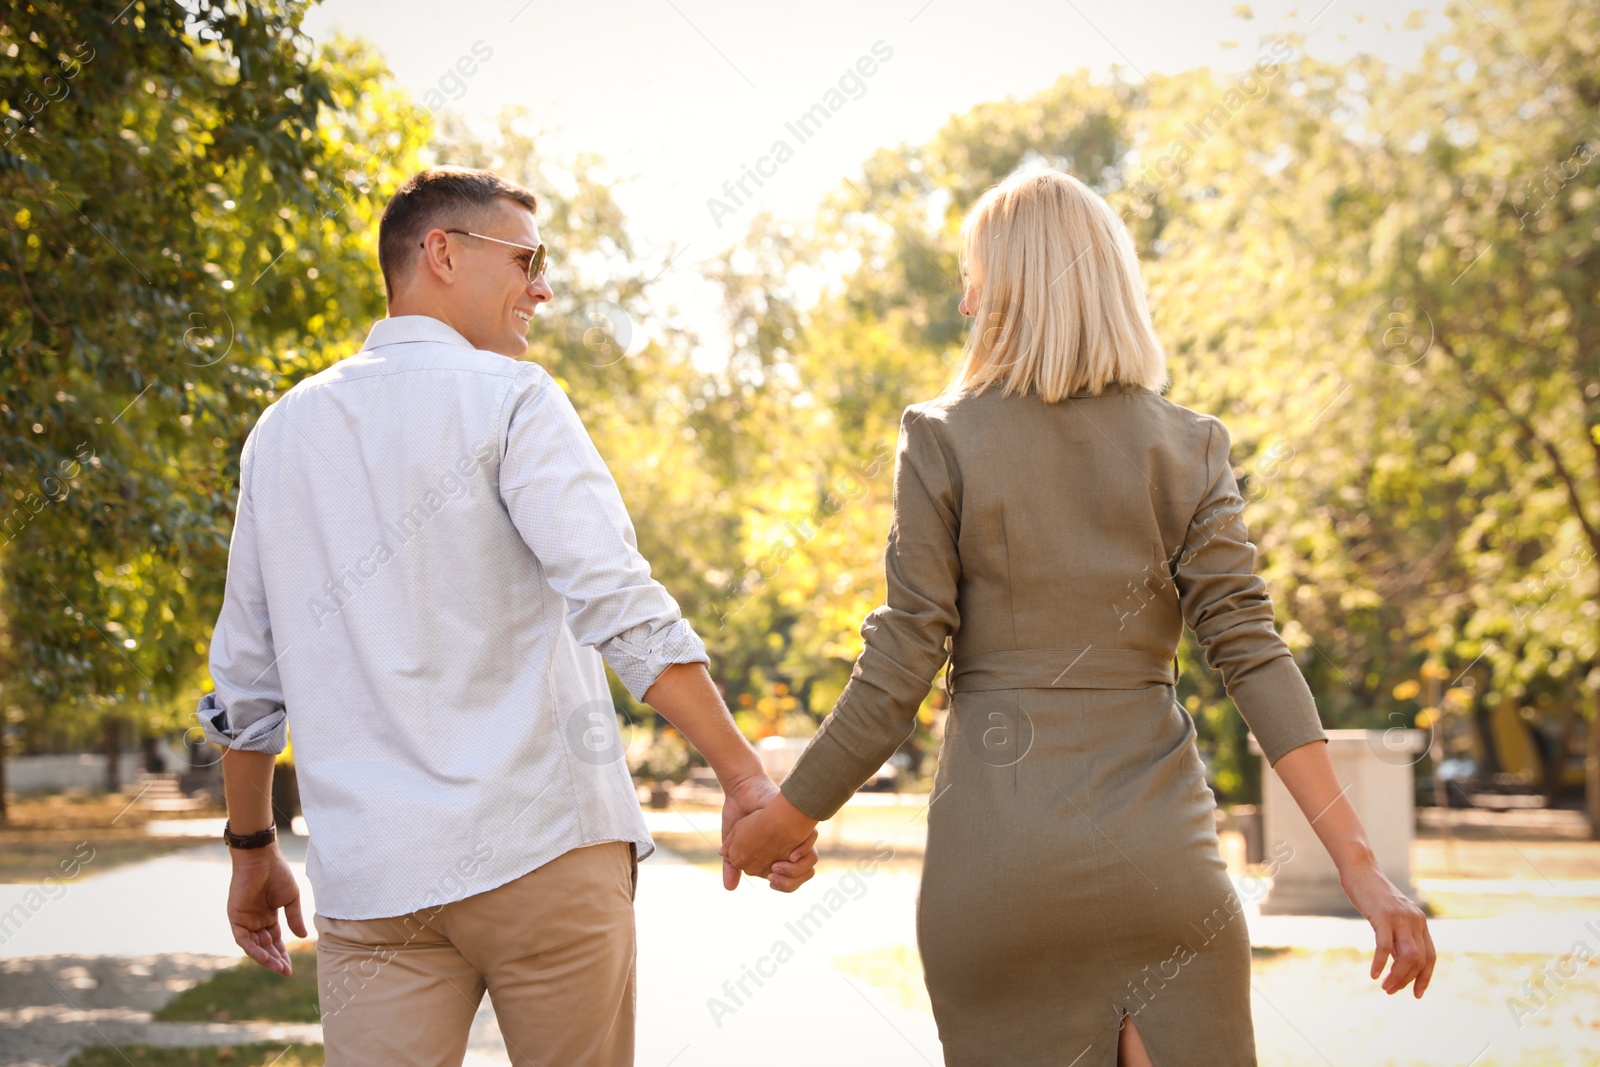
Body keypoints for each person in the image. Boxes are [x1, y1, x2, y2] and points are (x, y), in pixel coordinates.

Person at [723, 168, 1436, 1066]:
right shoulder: (1190, 444)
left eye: (973, 273)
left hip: (998, 865)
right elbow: (1252, 656)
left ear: (1012, 288)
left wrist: (786, 815)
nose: (963, 296)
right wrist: (1362, 868)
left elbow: (899, 661)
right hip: (1162, 866)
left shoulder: (942, 437)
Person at [199, 165, 816, 1067]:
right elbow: (620, 602)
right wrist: (744, 776)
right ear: (441, 253)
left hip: (376, 882)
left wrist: (251, 848)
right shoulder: (515, 399)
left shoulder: (282, 431)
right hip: (546, 854)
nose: (543, 284)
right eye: (527, 257)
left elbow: (248, 681)